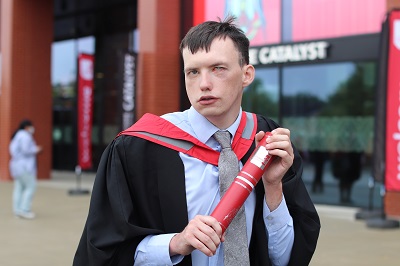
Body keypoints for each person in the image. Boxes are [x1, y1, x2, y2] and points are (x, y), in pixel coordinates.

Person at [73, 16, 320, 266]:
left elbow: (287, 259)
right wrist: (174, 244)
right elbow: (101, 253)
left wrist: (273, 187)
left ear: (246, 75)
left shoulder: (267, 142)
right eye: (193, 72)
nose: (203, 84)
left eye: (218, 69)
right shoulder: (138, 147)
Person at [9, 119, 43, 219]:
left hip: (16, 165)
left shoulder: (17, 135)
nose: (33, 129)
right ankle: (25, 210)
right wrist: (36, 149)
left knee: (19, 188)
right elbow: (26, 150)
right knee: (31, 186)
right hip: (24, 166)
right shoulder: (25, 136)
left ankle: (17, 210)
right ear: (27, 127)